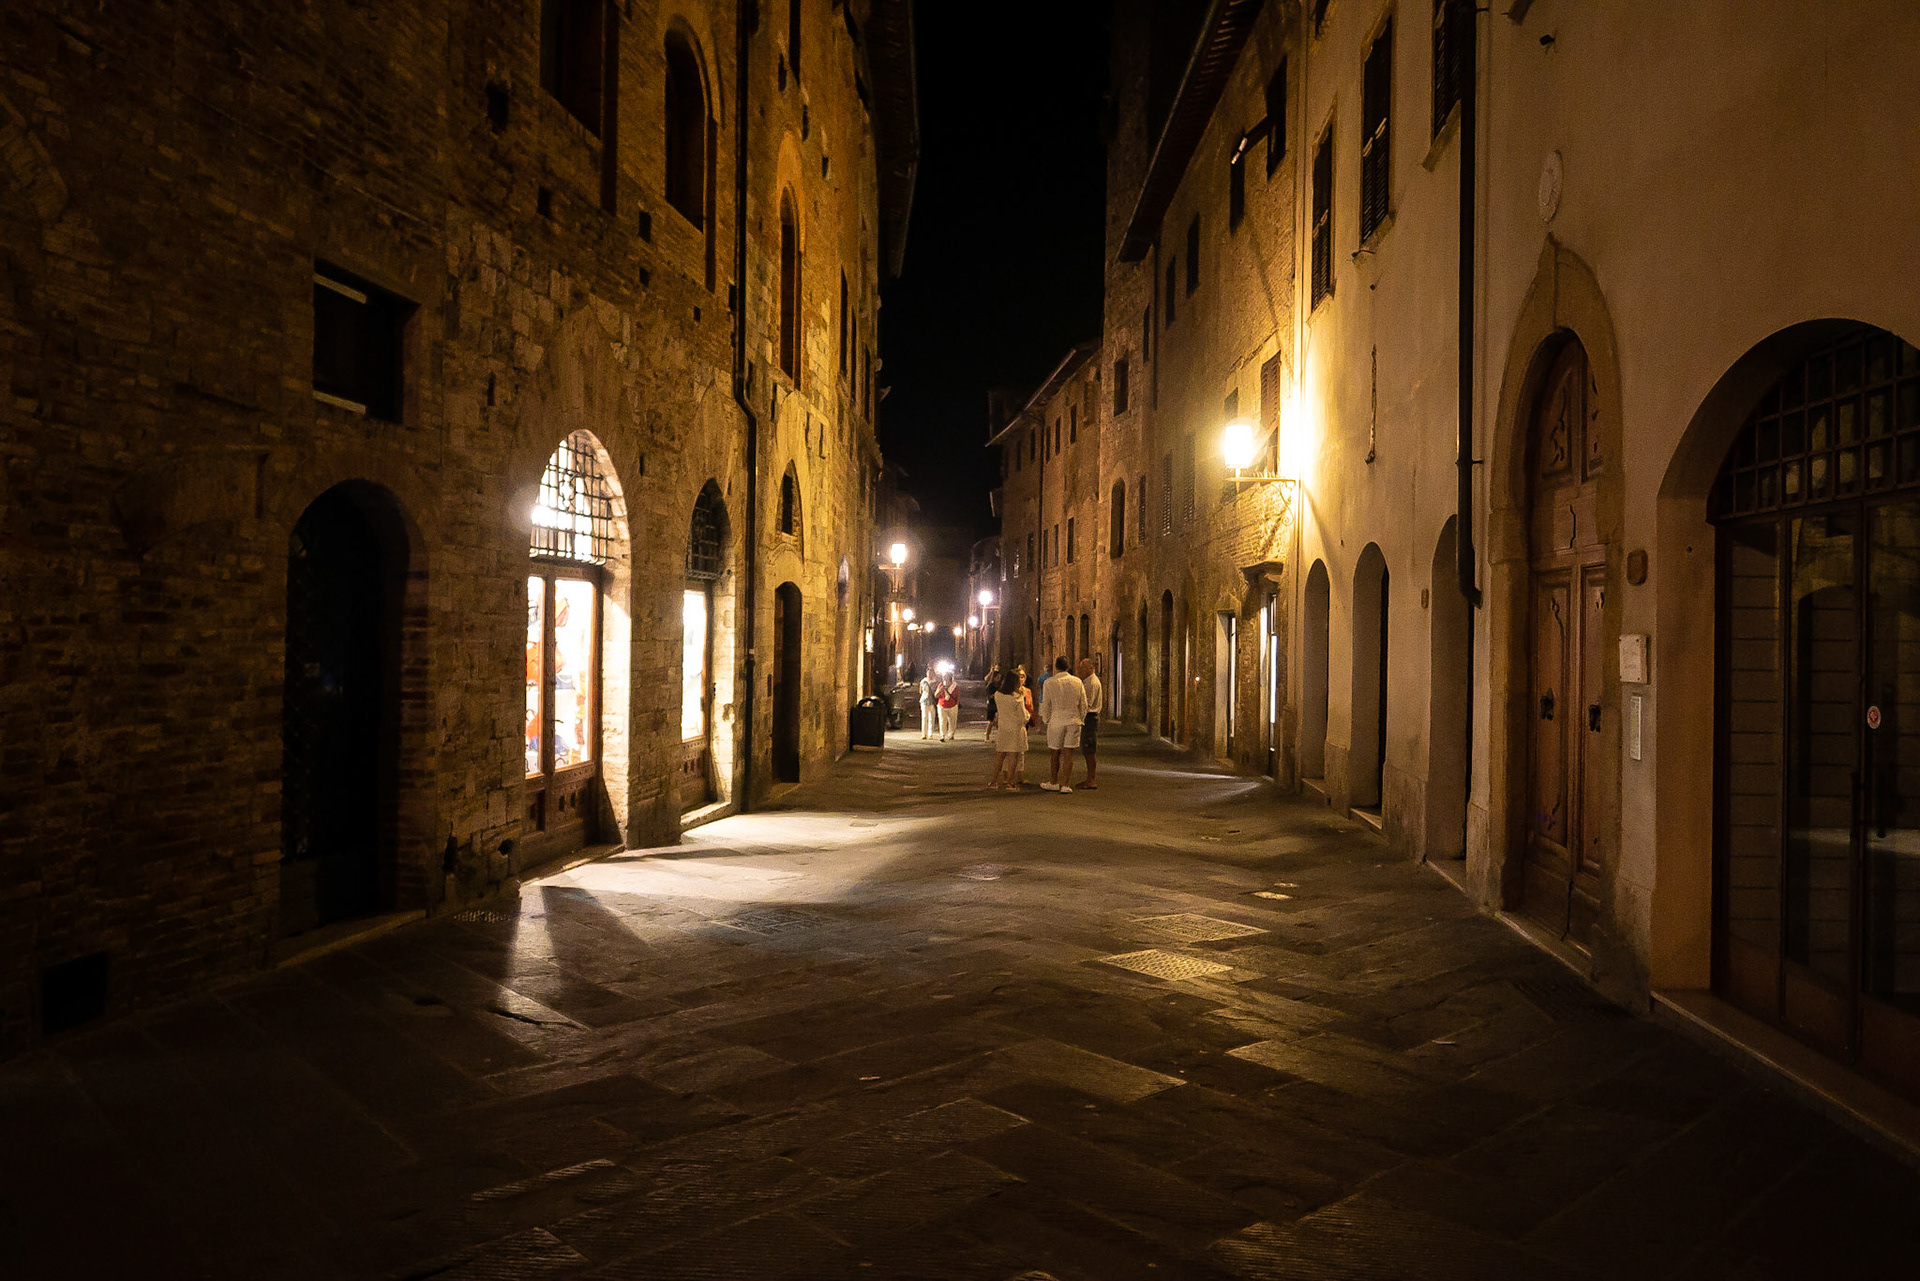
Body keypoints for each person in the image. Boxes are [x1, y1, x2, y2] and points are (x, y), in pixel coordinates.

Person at [1038, 655, 1088, 793]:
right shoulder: (1077, 682)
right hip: (1073, 720)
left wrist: (1046, 719)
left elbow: (1046, 704)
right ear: (1068, 666)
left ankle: (1054, 782)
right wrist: (1080, 718)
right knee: (1068, 754)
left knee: (1055, 753)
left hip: (1056, 720)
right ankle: (1066, 784)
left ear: (1056, 667)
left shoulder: (1049, 683)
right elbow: (1084, 703)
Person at [989, 669, 1029, 789]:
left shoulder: (998, 695)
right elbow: (1023, 716)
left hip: (1003, 728)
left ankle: (994, 781)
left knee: (1000, 755)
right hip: (1015, 729)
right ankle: (1010, 783)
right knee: (1013, 756)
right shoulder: (1017, 697)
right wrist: (1028, 716)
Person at [1076, 656, 1102, 789]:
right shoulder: (1087, 681)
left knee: (1089, 749)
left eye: (1083, 667)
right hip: (1089, 717)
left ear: (1090, 668)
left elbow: (1087, 703)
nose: (1080, 670)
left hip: (1090, 718)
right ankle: (1089, 778)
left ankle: (1092, 780)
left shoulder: (1092, 683)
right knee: (1087, 749)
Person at [936, 670, 960, 741]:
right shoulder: (941, 685)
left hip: (952, 706)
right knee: (942, 721)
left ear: (949, 677)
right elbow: (936, 695)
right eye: (944, 676)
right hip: (942, 705)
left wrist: (956, 704)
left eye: (945, 676)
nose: (944, 677)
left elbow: (958, 696)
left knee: (952, 721)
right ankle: (942, 735)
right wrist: (940, 690)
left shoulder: (955, 686)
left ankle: (951, 735)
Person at [918, 669, 938, 739]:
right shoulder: (923, 681)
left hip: (932, 702)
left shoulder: (935, 682)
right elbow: (920, 691)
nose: (929, 674)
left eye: (931, 673)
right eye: (928, 673)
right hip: (924, 701)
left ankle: (930, 734)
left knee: (931, 718)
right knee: (924, 717)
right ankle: (924, 734)